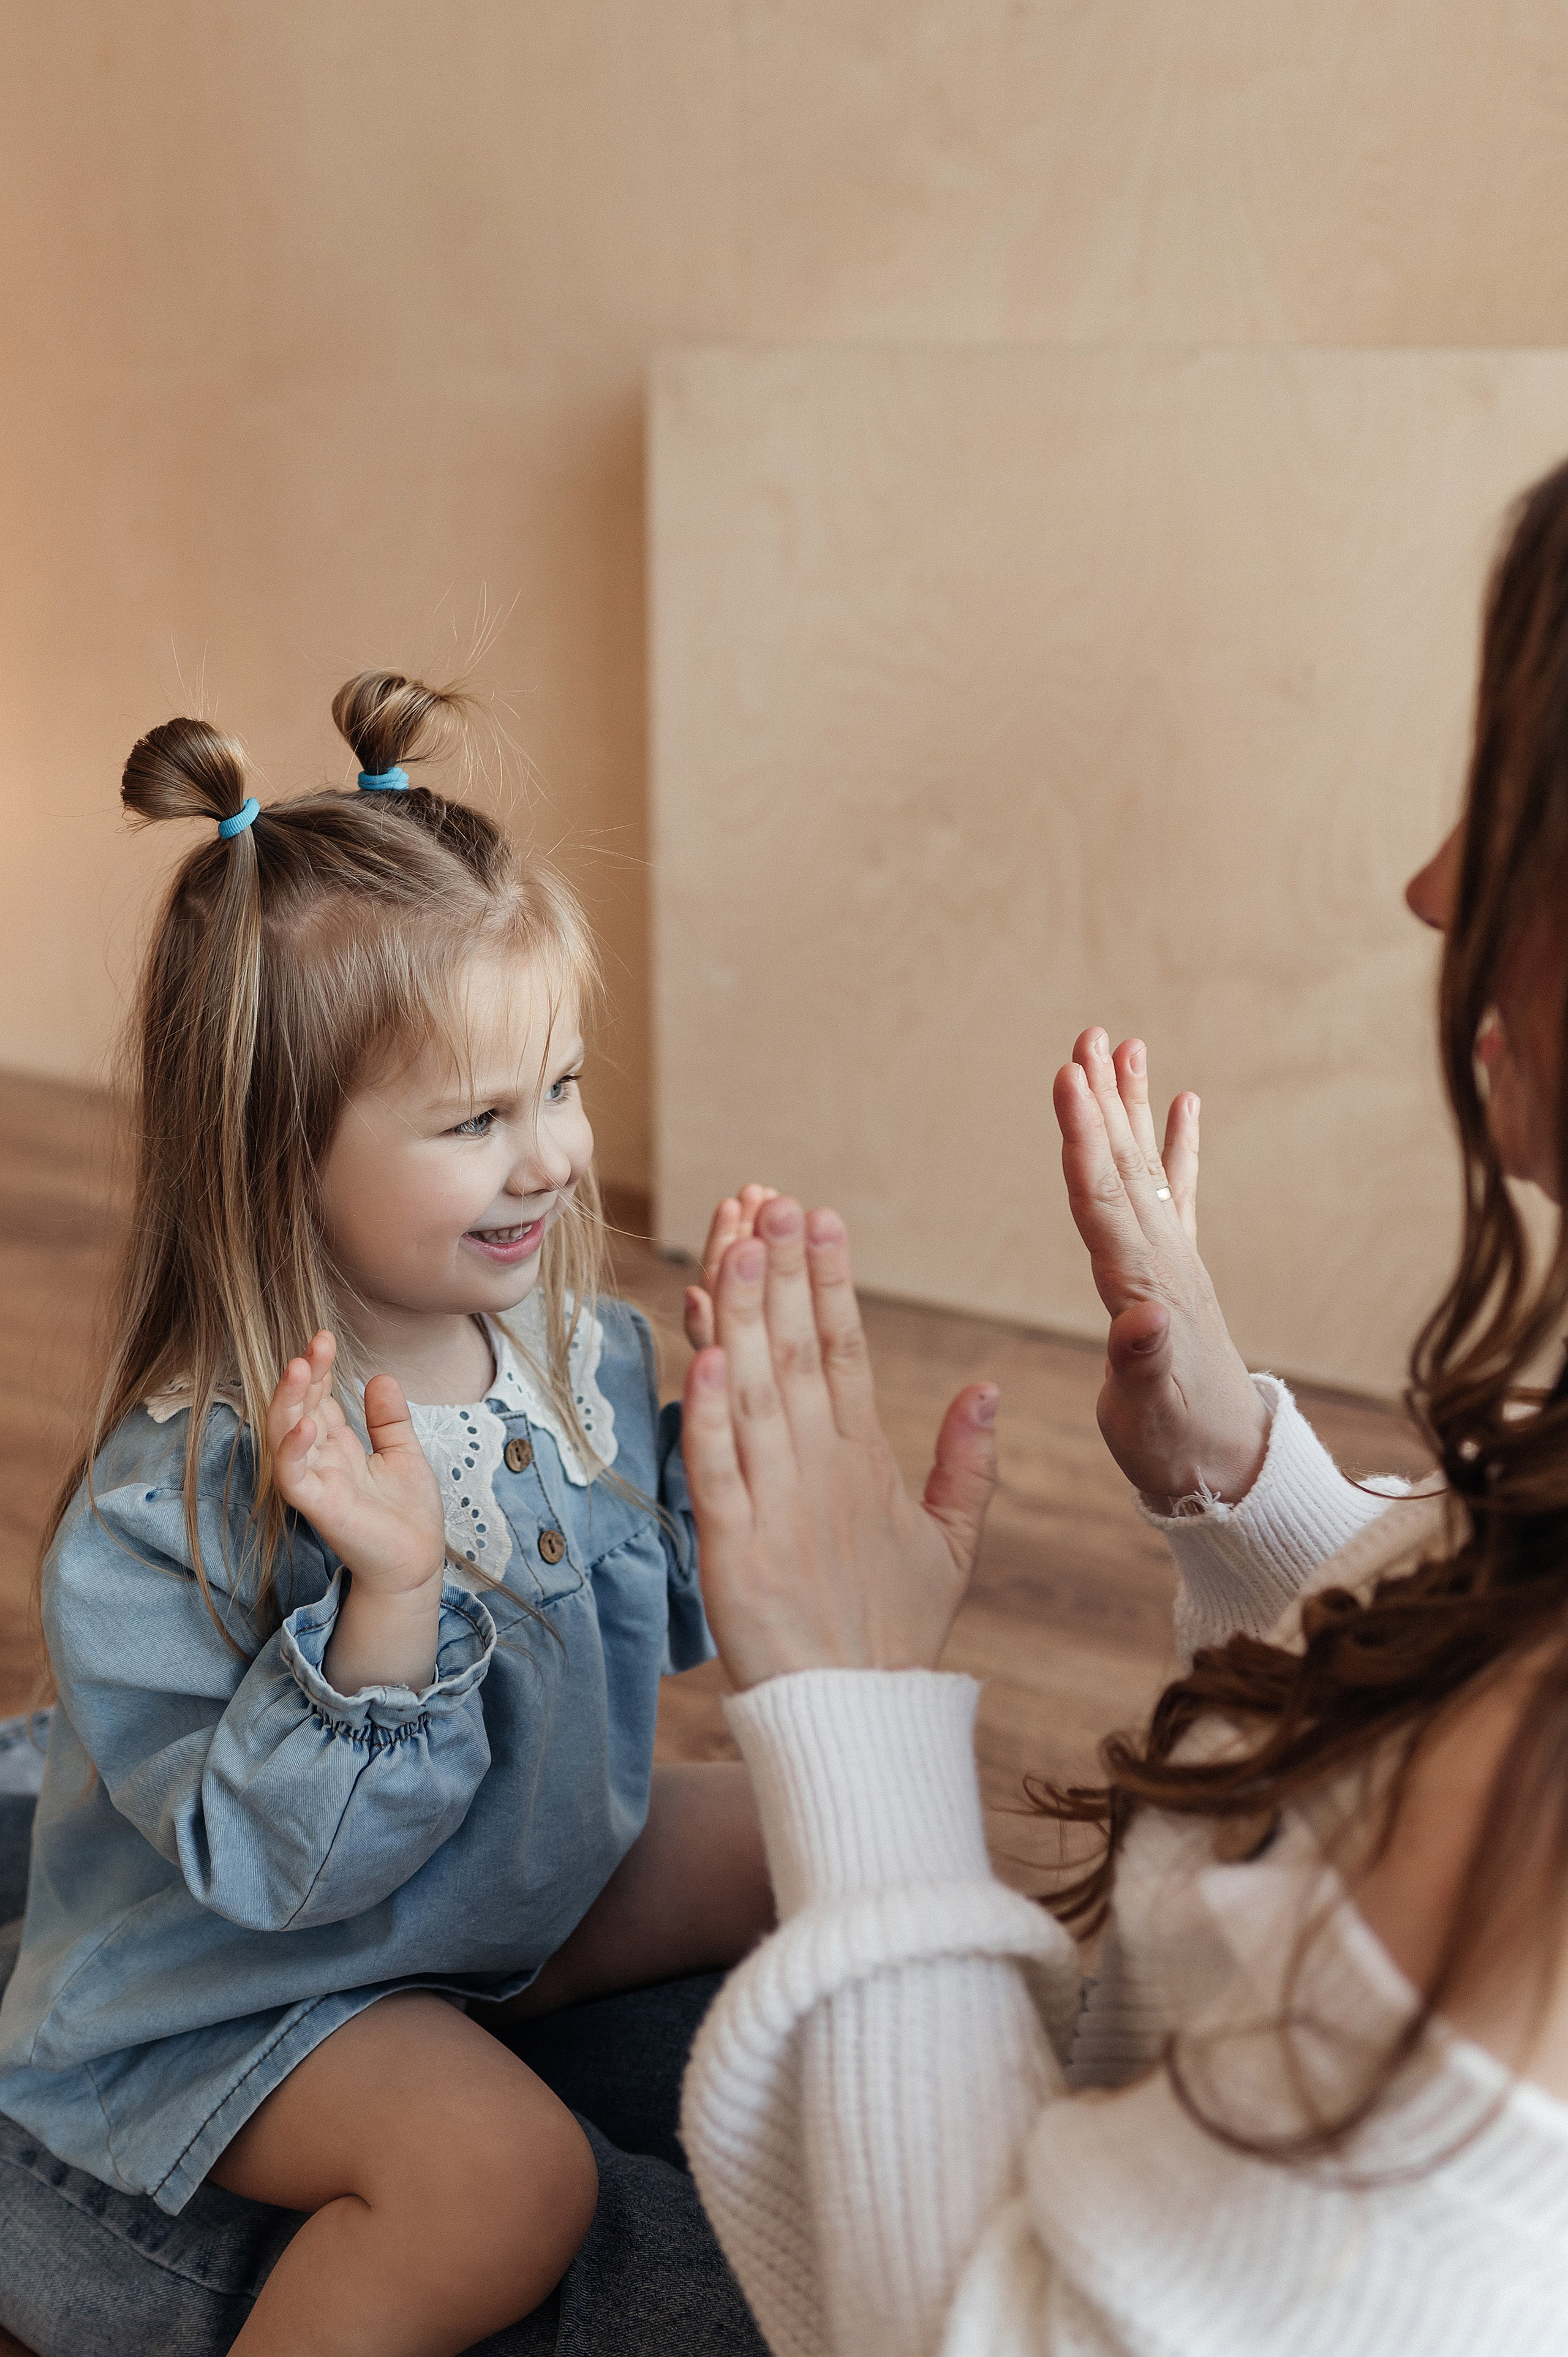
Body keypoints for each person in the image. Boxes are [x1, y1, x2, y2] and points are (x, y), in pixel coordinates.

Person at [676, 459, 1568, 2353]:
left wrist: (852, 1703)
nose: (1429, 889)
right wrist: (1241, 1474)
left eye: (1514, 809)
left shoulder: (1537, 1828)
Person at [0, 673, 775, 2357]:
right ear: (279, 1155)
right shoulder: (172, 1514)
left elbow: (657, 1623)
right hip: (256, 1992)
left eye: (561, 1087)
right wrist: (391, 1598)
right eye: (477, 1121)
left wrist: (728, 1466)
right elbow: (287, 1885)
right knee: (507, 2182)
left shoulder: (574, 1351)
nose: (553, 1159)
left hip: (493, 1903)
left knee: (820, 1829)